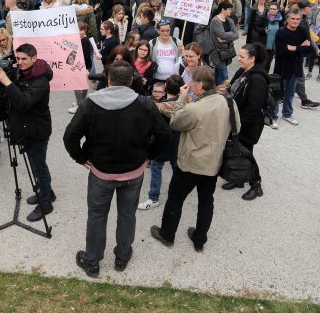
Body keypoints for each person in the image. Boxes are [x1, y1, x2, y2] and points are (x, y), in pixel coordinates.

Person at [64, 60, 171, 277]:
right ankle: (122, 256)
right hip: (132, 171)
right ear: (131, 81)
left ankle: (92, 261)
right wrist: (149, 155)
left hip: (102, 172)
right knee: (127, 215)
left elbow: (70, 137)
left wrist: (81, 157)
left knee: (97, 216)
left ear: (109, 80)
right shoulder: (145, 103)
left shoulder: (90, 104)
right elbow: (165, 136)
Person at [150, 66, 238, 252]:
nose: (189, 86)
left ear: (199, 85)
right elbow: (237, 125)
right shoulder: (228, 102)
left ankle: (167, 234)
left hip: (191, 163)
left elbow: (175, 122)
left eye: (191, 82)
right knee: (206, 201)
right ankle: (200, 239)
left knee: (175, 198)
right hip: (213, 162)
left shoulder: (194, 108)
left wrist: (181, 99)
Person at [0, 43, 55, 222]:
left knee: (38, 166)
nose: (19, 62)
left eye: (24, 59)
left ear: (34, 58)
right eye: (17, 58)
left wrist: (7, 81)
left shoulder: (40, 80)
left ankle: (45, 204)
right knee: (37, 164)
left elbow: (24, 103)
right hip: (25, 127)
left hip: (37, 130)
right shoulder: (22, 72)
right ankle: (48, 192)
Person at [224, 44, 268, 200]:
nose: (238, 59)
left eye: (242, 56)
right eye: (239, 55)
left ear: (253, 59)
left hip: (247, 125)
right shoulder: (243, 71)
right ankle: (239, 179)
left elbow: (253, 109)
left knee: (246, 153)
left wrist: (238, 128)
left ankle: (256, 185)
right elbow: (232, 90)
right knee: (237, 151)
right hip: (236, 121)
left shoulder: (257, 79)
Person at [138, 75, 183, 211]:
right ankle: (178, 194)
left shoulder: (157, 107)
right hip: (177, 141)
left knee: (156, 169)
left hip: (161, 142)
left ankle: (153, 198)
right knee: (177, 168)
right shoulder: (184, 102)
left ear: (166, 88)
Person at [272, 7, 311, 126]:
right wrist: (300, 47)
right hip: (281, 66)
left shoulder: (303, 30)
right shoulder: (281, 32)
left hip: (295, 66)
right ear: (287, 19)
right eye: (293, 19)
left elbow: (308, 49)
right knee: (276, 93)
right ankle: (273, 115)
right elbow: (282, 51)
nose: (295, 21)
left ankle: (287, 114)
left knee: (290, 93)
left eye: (298, 19)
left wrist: (294, 47)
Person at [208, 1, 238, 85]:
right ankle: (224, 90)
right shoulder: (216, 21)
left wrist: (226, 39)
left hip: (226, 51)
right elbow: (222, 34)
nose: (230, 11)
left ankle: (217, 89)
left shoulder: (229, 20)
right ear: (223, 10)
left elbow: (236, 34)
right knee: (224, 75)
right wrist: (228, 36)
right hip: (217, 52)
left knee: (218, 73)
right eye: (229, 9)